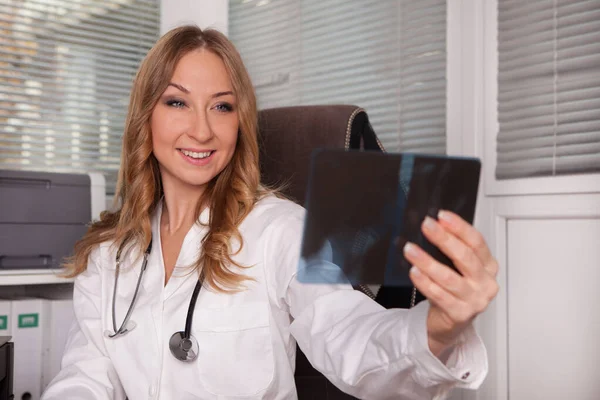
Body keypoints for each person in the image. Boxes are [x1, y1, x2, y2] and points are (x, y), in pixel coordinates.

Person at [42, 25, 499, 400]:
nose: (202, 129)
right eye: (177, 102)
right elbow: (86, 376)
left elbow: (349, 333)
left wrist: (438, 330)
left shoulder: (278, 230)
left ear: (240, 124)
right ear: (146, 116)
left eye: (222, 106)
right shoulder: (110, 254)